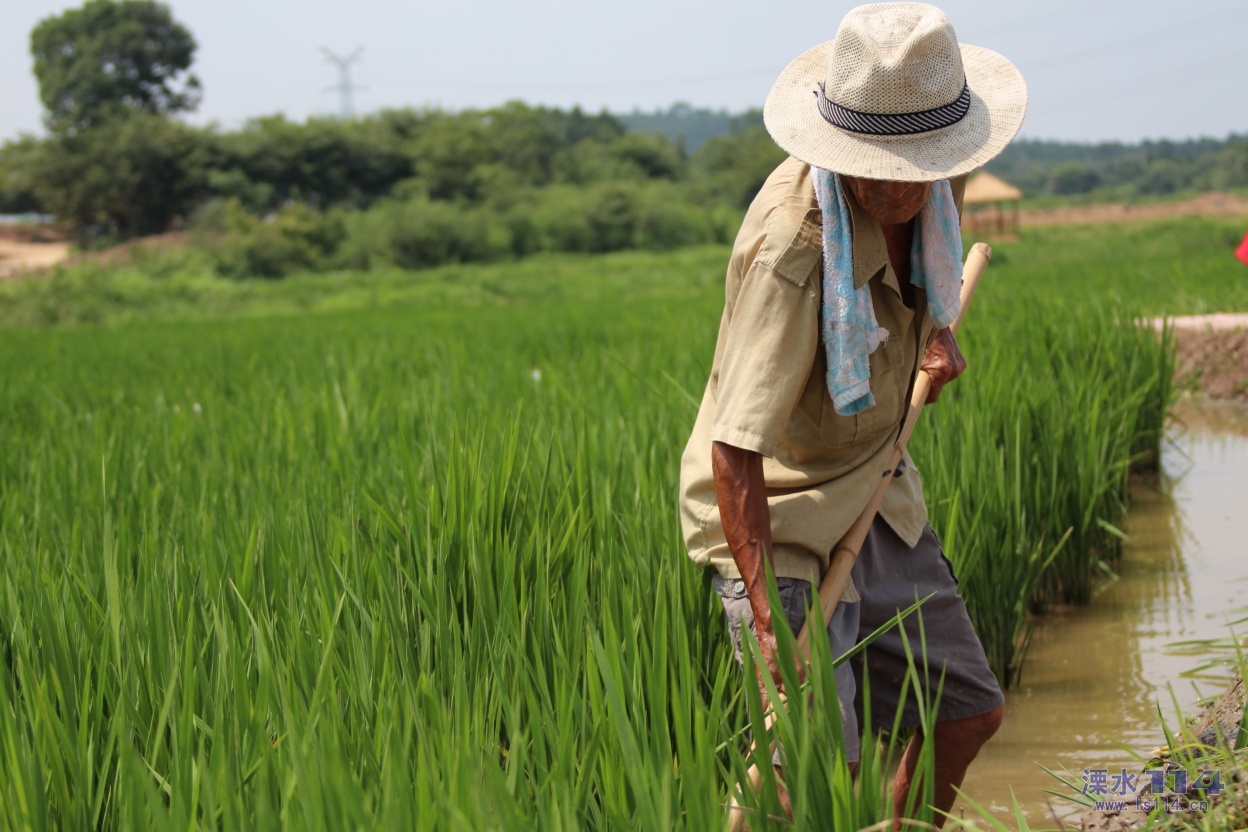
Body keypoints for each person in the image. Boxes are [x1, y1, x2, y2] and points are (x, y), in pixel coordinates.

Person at [677, 3, 1027, 826]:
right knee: (816, 764)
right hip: (785, 510)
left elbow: (920, 288)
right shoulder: (795, 249)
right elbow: (736, 448)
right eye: (881, 167)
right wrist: (768, 620)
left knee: (967, 710)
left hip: (878, 485)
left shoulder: (938, 175)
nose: (904, 186)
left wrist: (934, 339)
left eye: (923, 166)